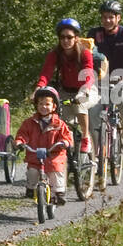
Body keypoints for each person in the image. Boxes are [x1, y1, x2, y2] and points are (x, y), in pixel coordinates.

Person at [36, 18, 98, 157]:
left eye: (69, 37)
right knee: (60, 120)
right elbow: (46, 72)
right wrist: (39, 88)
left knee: (79, 105)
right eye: (62, 37)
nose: (65, 40)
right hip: (65, 91)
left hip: (87, 89)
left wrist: (85, 88)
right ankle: (68, 159)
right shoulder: (55, 54)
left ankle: (85, 138)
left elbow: (88, 72)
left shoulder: (84, 53)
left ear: (76, 38)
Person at [88, 0, 123, 153]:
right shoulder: (94, 34)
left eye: (111, 17)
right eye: (104, 17)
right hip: (100, 80)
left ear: (118, 18)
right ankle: (97, 147)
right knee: (92, 111)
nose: (107, 20)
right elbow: (85, 56)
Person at [16, 86, 73, 207]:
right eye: (40, 104)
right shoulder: (29, 123)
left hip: (54, 155)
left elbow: (66, 136)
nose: (43, 107)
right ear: (36, 105)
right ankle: (31, 188)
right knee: (32, 172)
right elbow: (23, 134)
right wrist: (20, 142)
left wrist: (65, 142)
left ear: (54, 106)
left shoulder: (59, 124)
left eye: (47, 104)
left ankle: (59, 193)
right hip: (35, 154)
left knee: (56, 172)